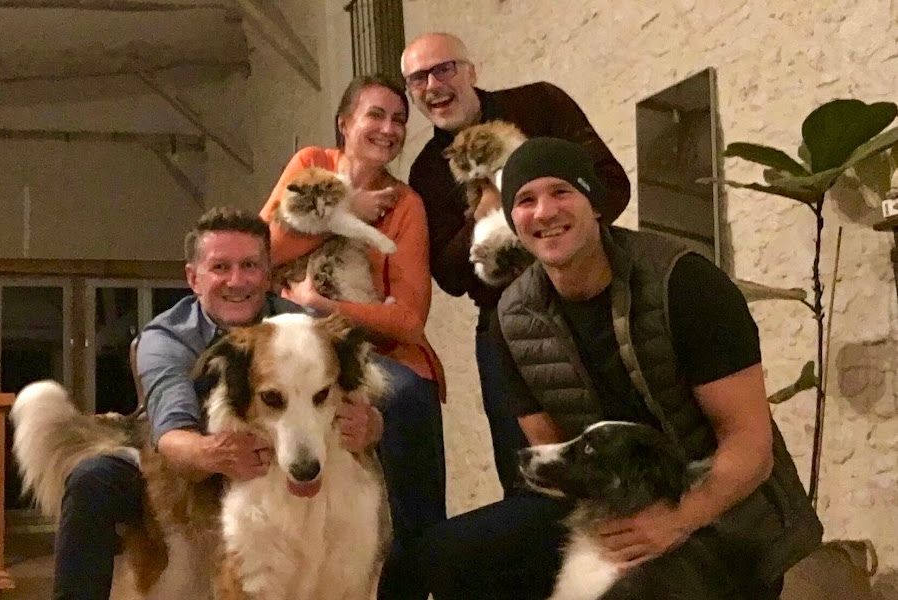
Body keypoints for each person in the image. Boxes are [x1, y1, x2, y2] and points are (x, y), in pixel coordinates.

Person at [416, 138, 823, 599]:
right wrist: (607, 527)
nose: (544, 212)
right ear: (513, 220)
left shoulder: (685, 281)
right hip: (605, 501)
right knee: (448, 555)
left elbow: (750, 446)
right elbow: (552, 451)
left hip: (718, 510)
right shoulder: (512, 319)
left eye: (562, 192)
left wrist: (676, 519)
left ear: (596, 205)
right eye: (526, 200)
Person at [53, 207, 383, 600]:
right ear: (193, 277)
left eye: (250, 265)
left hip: (265, 457)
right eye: (221, 267)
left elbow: (362, 387)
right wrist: (218, 453)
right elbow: (171, 436)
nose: (237, 280)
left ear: (269, 273)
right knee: (93, 481)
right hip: (171, 453)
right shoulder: (166, 338)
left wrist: (370, 423)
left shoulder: (303, 329)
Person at [400, 32, 631, 494]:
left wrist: (521, 203)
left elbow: (611, 186)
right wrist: (483, 207)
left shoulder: (541, 104)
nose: (433, 85)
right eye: (417, 78)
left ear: (470, 71)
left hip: (591, 302)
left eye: (443, 69)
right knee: (531, 481)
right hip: (506, 326)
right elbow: (448, 275)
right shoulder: (426, 170)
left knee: (622, 453)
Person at [258, 74, 446, 600]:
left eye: (399, 119)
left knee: (409, 397)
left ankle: (415, 570)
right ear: (345, 124)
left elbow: (409, 321)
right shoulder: (310, 165)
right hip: (302, 342)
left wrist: (326, 306)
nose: (389, 129)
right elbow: (262, 252)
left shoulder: (407, 204)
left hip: (376, 347)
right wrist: (343, 217)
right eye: (376, 115)